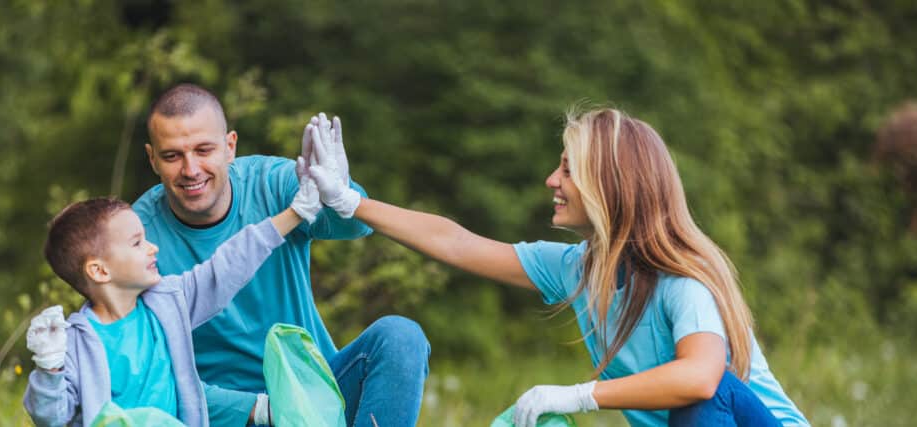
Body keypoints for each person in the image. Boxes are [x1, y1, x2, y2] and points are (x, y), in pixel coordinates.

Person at [303, 107, 810, 427]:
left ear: (608, 184)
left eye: (567, 168)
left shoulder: (683, 282)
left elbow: (702, 380)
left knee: (705, 398)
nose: (551, 179)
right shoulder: (578, 269)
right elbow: (456, 242)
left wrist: (579, 396)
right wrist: (350, 202)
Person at [132, 83, 430, 427]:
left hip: (315, 397)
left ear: (230, 146)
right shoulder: (136, 238)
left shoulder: (268, 182)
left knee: (400, 338)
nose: (191, 169)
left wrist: (343, 196)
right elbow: (150, 379)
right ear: (152, 158)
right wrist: (262, 410)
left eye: (203, 150)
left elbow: (354, 229)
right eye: (172, 156)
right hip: (230, 416)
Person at [23, 187, 321, 426]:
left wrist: (295, 214)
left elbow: (227, 265)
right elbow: (50, 417)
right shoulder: (76, 344)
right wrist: (50, 366)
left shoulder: (167, 302)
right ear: (100, 271)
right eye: (137, 243)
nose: (152, 247)